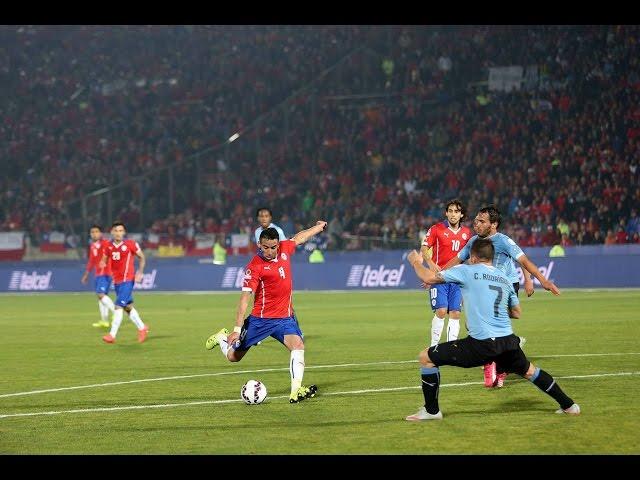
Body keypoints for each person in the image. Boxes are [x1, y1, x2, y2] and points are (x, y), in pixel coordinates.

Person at [404, 240, 579, 421]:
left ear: (472, 257)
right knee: (529, 371)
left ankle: (432, 411)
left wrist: (416, 261)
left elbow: (428, 278)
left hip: (481, 344)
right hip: (507, 341)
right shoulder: (503, 278)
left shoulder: (467, 270)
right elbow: (517, 313)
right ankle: (569, 405)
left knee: (426, 358)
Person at [205, 221, 327, 403]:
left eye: (273, 247)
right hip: (259, 321)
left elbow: (300, 238)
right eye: (265, 247)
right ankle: (222, 338)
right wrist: (237, 330)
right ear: (259, 245)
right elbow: (244, 299)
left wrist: (317, 228)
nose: (270, 251)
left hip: (284, 319)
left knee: (298, 346)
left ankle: (296, 391)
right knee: (233, 357)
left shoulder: (285, 248)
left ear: (278, 244)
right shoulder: (255, 266)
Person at [441, 205, 556, 388]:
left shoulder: (504, 241)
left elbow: (523, 261)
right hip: (484, 286)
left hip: (506, 284)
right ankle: (500, 358)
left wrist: (539, 280)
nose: (476, 224)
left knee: (498, 320)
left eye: (481, 221)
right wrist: (438, 275)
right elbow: (457, 260)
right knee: (476, 323)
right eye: (476, 220)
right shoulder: (473, 242)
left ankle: (500, 361)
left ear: (493, 225)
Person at [419, 199, 472, 347]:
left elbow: (468, 257)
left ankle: (451, 348)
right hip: (440, 278)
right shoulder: (436, 229)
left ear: (462, 215)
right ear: (446, 213)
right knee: (441, 311)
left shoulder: (467, 234)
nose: (453, 214)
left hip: (458, 279)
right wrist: (430, 264)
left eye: (457, 211)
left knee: (455, 313)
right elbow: (424, 249)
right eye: (450, 211)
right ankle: (434, 347)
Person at [99, 222, 149, 344]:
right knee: (127, 307)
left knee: (118, 306)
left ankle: (112, 335)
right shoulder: (108, 246)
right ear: (112, 232)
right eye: (116, 230)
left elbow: (142, 257)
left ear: (124, 232)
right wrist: (102, 263)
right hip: (117, 281)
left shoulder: (130, 244)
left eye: (121, 231)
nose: (118, 233)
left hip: (128, 279)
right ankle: (142, 328)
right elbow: (104, 259)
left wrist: (140, 272)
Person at [80, 225, 116, 328]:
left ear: (100, 233)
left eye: (96, 231)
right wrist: (86, 274)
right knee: (101, 298)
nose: (94, 234)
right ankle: (104, 321)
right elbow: (91, 261)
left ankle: (116, 311)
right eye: (92, 232)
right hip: (98, 274)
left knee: (101, 295)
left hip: (105, 273)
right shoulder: (92, 245)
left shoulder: (105, 243)